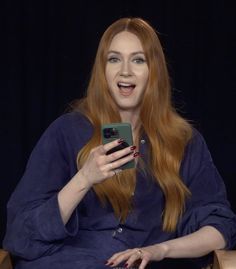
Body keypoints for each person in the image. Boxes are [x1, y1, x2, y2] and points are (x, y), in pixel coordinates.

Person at [3, 17, 236, 269]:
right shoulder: (66, 131)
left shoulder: (184, 141)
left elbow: (219, 228)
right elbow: (20, 235)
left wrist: (160, 249)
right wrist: (84, 179)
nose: (125, 70)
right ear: (102, 70)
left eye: (138, 59)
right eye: (114, 59)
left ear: (153, 70)